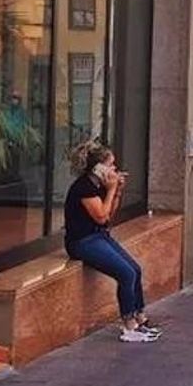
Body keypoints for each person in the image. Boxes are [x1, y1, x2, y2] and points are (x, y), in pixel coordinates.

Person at [64, 140, 161, 342]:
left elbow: (108, 216)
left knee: (135, 269)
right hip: (82, 242)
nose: (114, 169)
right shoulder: (84, 188)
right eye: (110, 165)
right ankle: (129, 326)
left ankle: (139, 317)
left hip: (98, 235)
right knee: (124, 274)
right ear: (98, 168)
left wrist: (116, 191)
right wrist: (111, 190)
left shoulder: (99, 185)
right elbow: (100, 216)